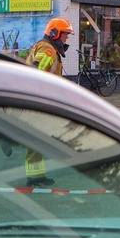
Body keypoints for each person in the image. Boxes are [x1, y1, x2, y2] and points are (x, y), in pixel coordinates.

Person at [23, 17, 73, 186]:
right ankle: (34, 177)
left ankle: (36, 175)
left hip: (39, 101)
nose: (67, 38)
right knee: (37, 137)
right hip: (39, 102)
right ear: (55, 33)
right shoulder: (48, 49)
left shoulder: (49, 48)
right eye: (65, 34)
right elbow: (37, 73)